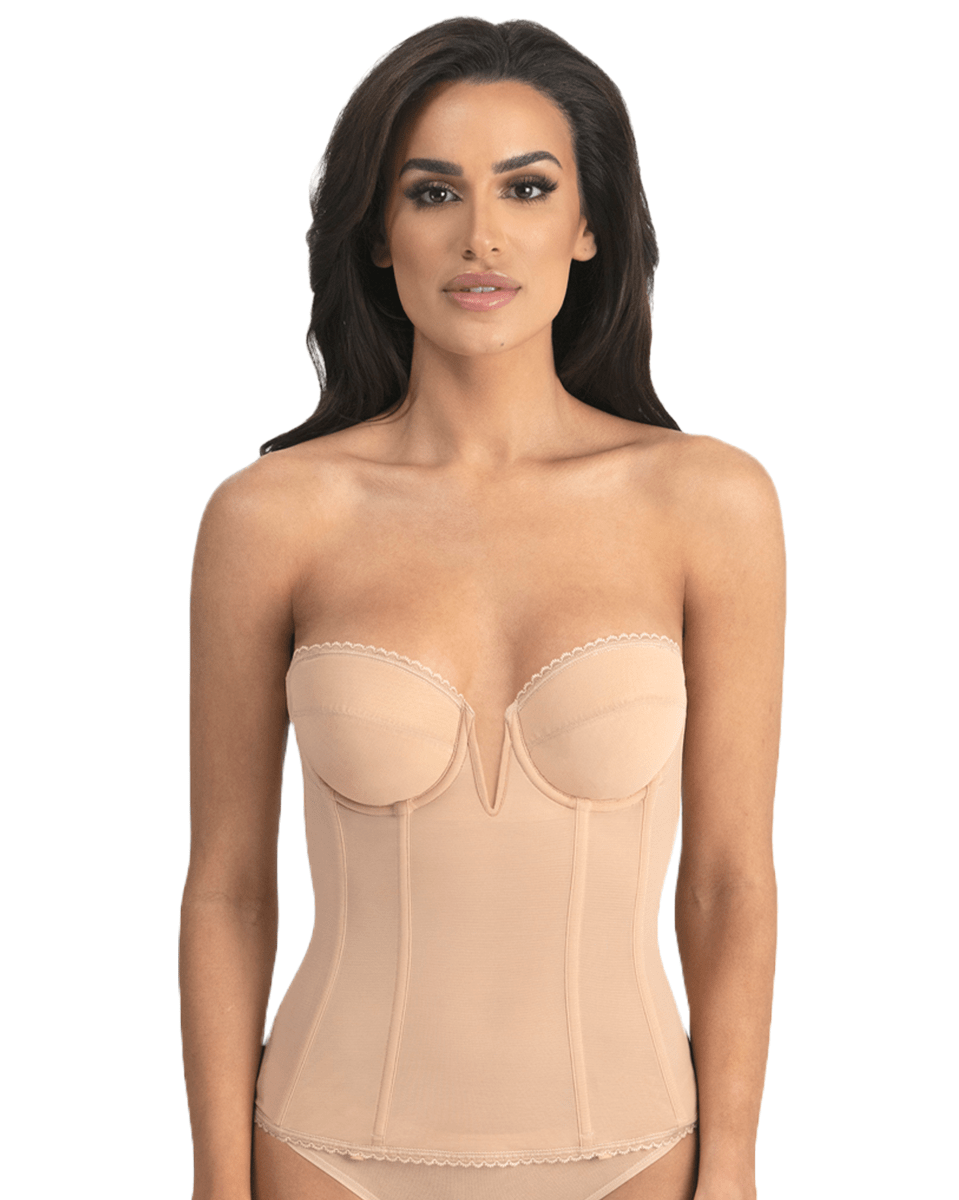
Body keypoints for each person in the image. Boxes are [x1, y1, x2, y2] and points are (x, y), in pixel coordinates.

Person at [180, 17, 784, 1200]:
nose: (481, 235)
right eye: (432, 192)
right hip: (322, 1154)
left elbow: (728, 881)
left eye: (526, 187)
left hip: (635, 1155)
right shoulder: (271, 517)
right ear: (375, 232)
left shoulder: (706, 503)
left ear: (589, 224)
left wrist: (733, 1168)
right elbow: (227, 886)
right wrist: (213, 1179)